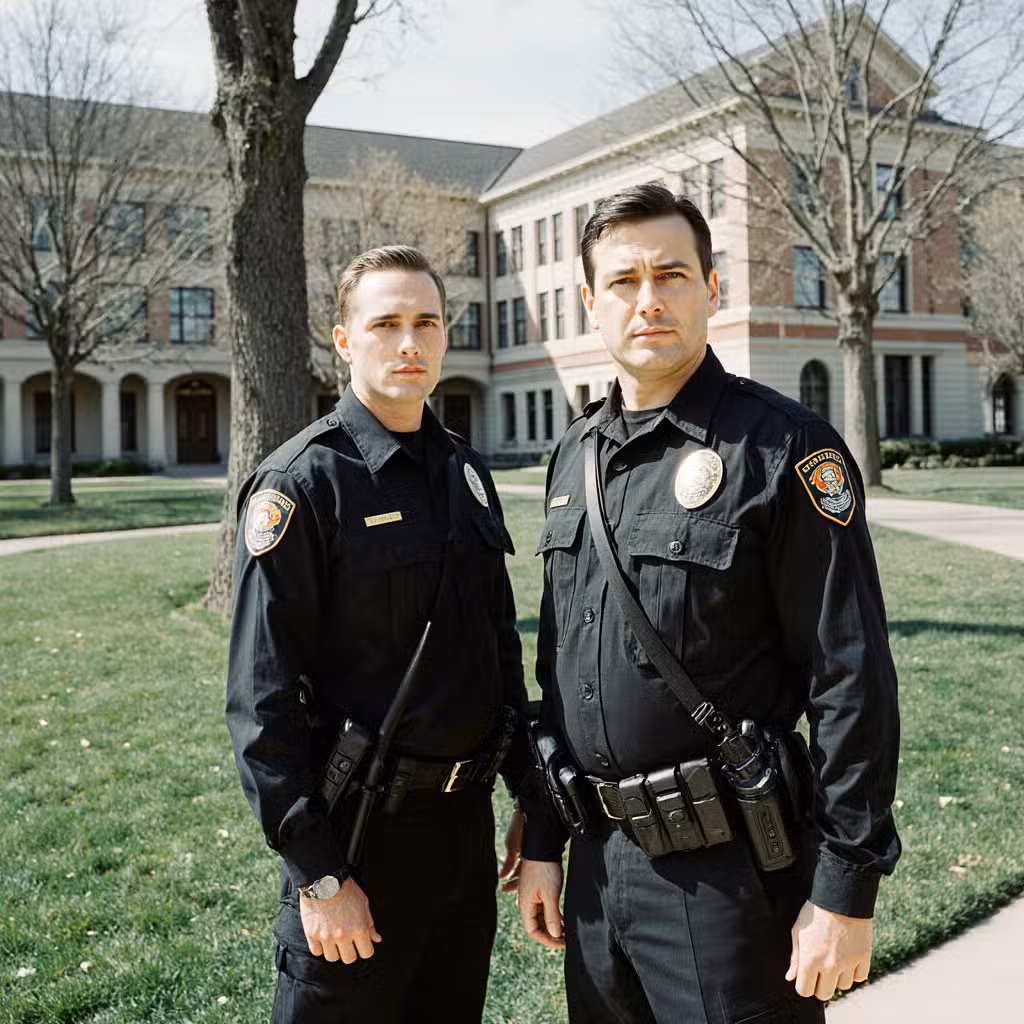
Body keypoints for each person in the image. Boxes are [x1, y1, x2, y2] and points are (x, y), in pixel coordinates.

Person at [514, 184, 901, 1024]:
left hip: (727, 880)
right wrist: (544, 841)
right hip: (594, 871)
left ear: (712, 288)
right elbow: (557, 667)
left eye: (672, 274)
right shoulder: (573, 455)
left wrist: (845, 891)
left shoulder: (785, 450)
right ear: (589, 303)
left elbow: (851, 680)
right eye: (622, 282)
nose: (647, 299)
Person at [226, 245, 529, 1023]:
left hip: (463, 840)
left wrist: (532, 797)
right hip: (358, 839)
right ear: (342, 339)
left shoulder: (465, 470)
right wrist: (320, 878)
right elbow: (261, 705)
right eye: (386, 323)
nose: (409, 343)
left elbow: (500, 652)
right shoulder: (301, 484)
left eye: (426, 322)